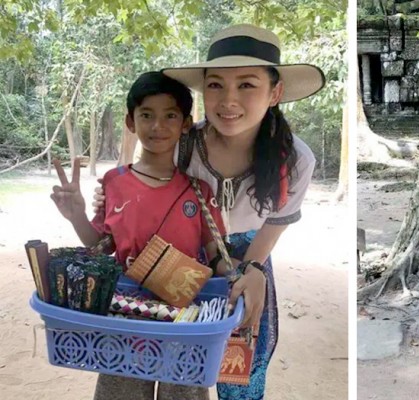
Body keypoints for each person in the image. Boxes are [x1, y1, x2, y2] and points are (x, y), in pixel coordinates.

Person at [94, 24, 325, 399]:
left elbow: (276, 222)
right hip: (180, 261)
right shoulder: (184, 144)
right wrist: (107, 203)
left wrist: (250, 270)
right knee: (175, 366)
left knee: (242, 372)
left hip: (251, 258)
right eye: (216, 85)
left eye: (247, 85)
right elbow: (145, 190)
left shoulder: (296, 159)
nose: (228, 100)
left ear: (275, 92)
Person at [51, 71, 230, 399]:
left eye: (170, 116)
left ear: (186, 124)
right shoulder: (113, 182)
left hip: (185, 324)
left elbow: (217, 256)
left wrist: (239, 277)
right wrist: (76, 214)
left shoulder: (199, 192)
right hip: (122, 320)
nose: (158, 126)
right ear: (131, 122)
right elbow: (100, 246)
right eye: (146, 115)